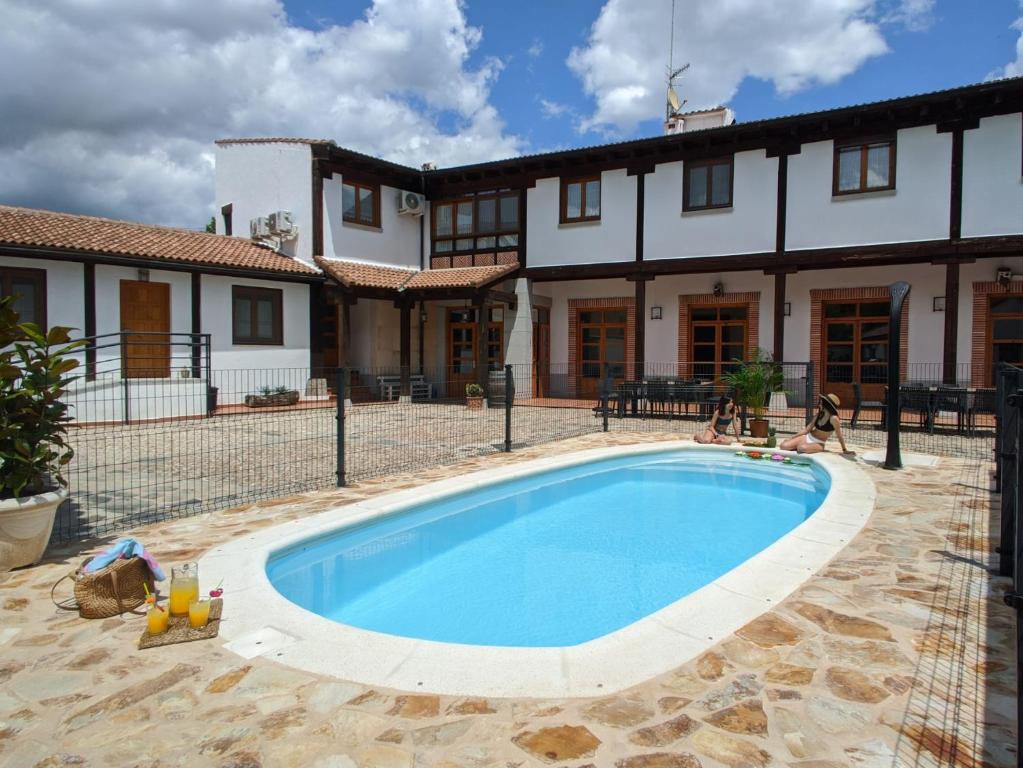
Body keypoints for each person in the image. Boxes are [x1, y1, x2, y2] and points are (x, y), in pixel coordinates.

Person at [780, 393, 853, 454]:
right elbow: (806, 430)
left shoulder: (834, 418)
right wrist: (791, 438)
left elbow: (839, 435)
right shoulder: (819, 415)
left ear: (826, 405)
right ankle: (799, 444)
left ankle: (803, 446)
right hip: (808, 437)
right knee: (783, 446)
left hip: (819, 442)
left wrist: (844, 450)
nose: (819, 404)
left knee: (801, 448)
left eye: (821, 402)